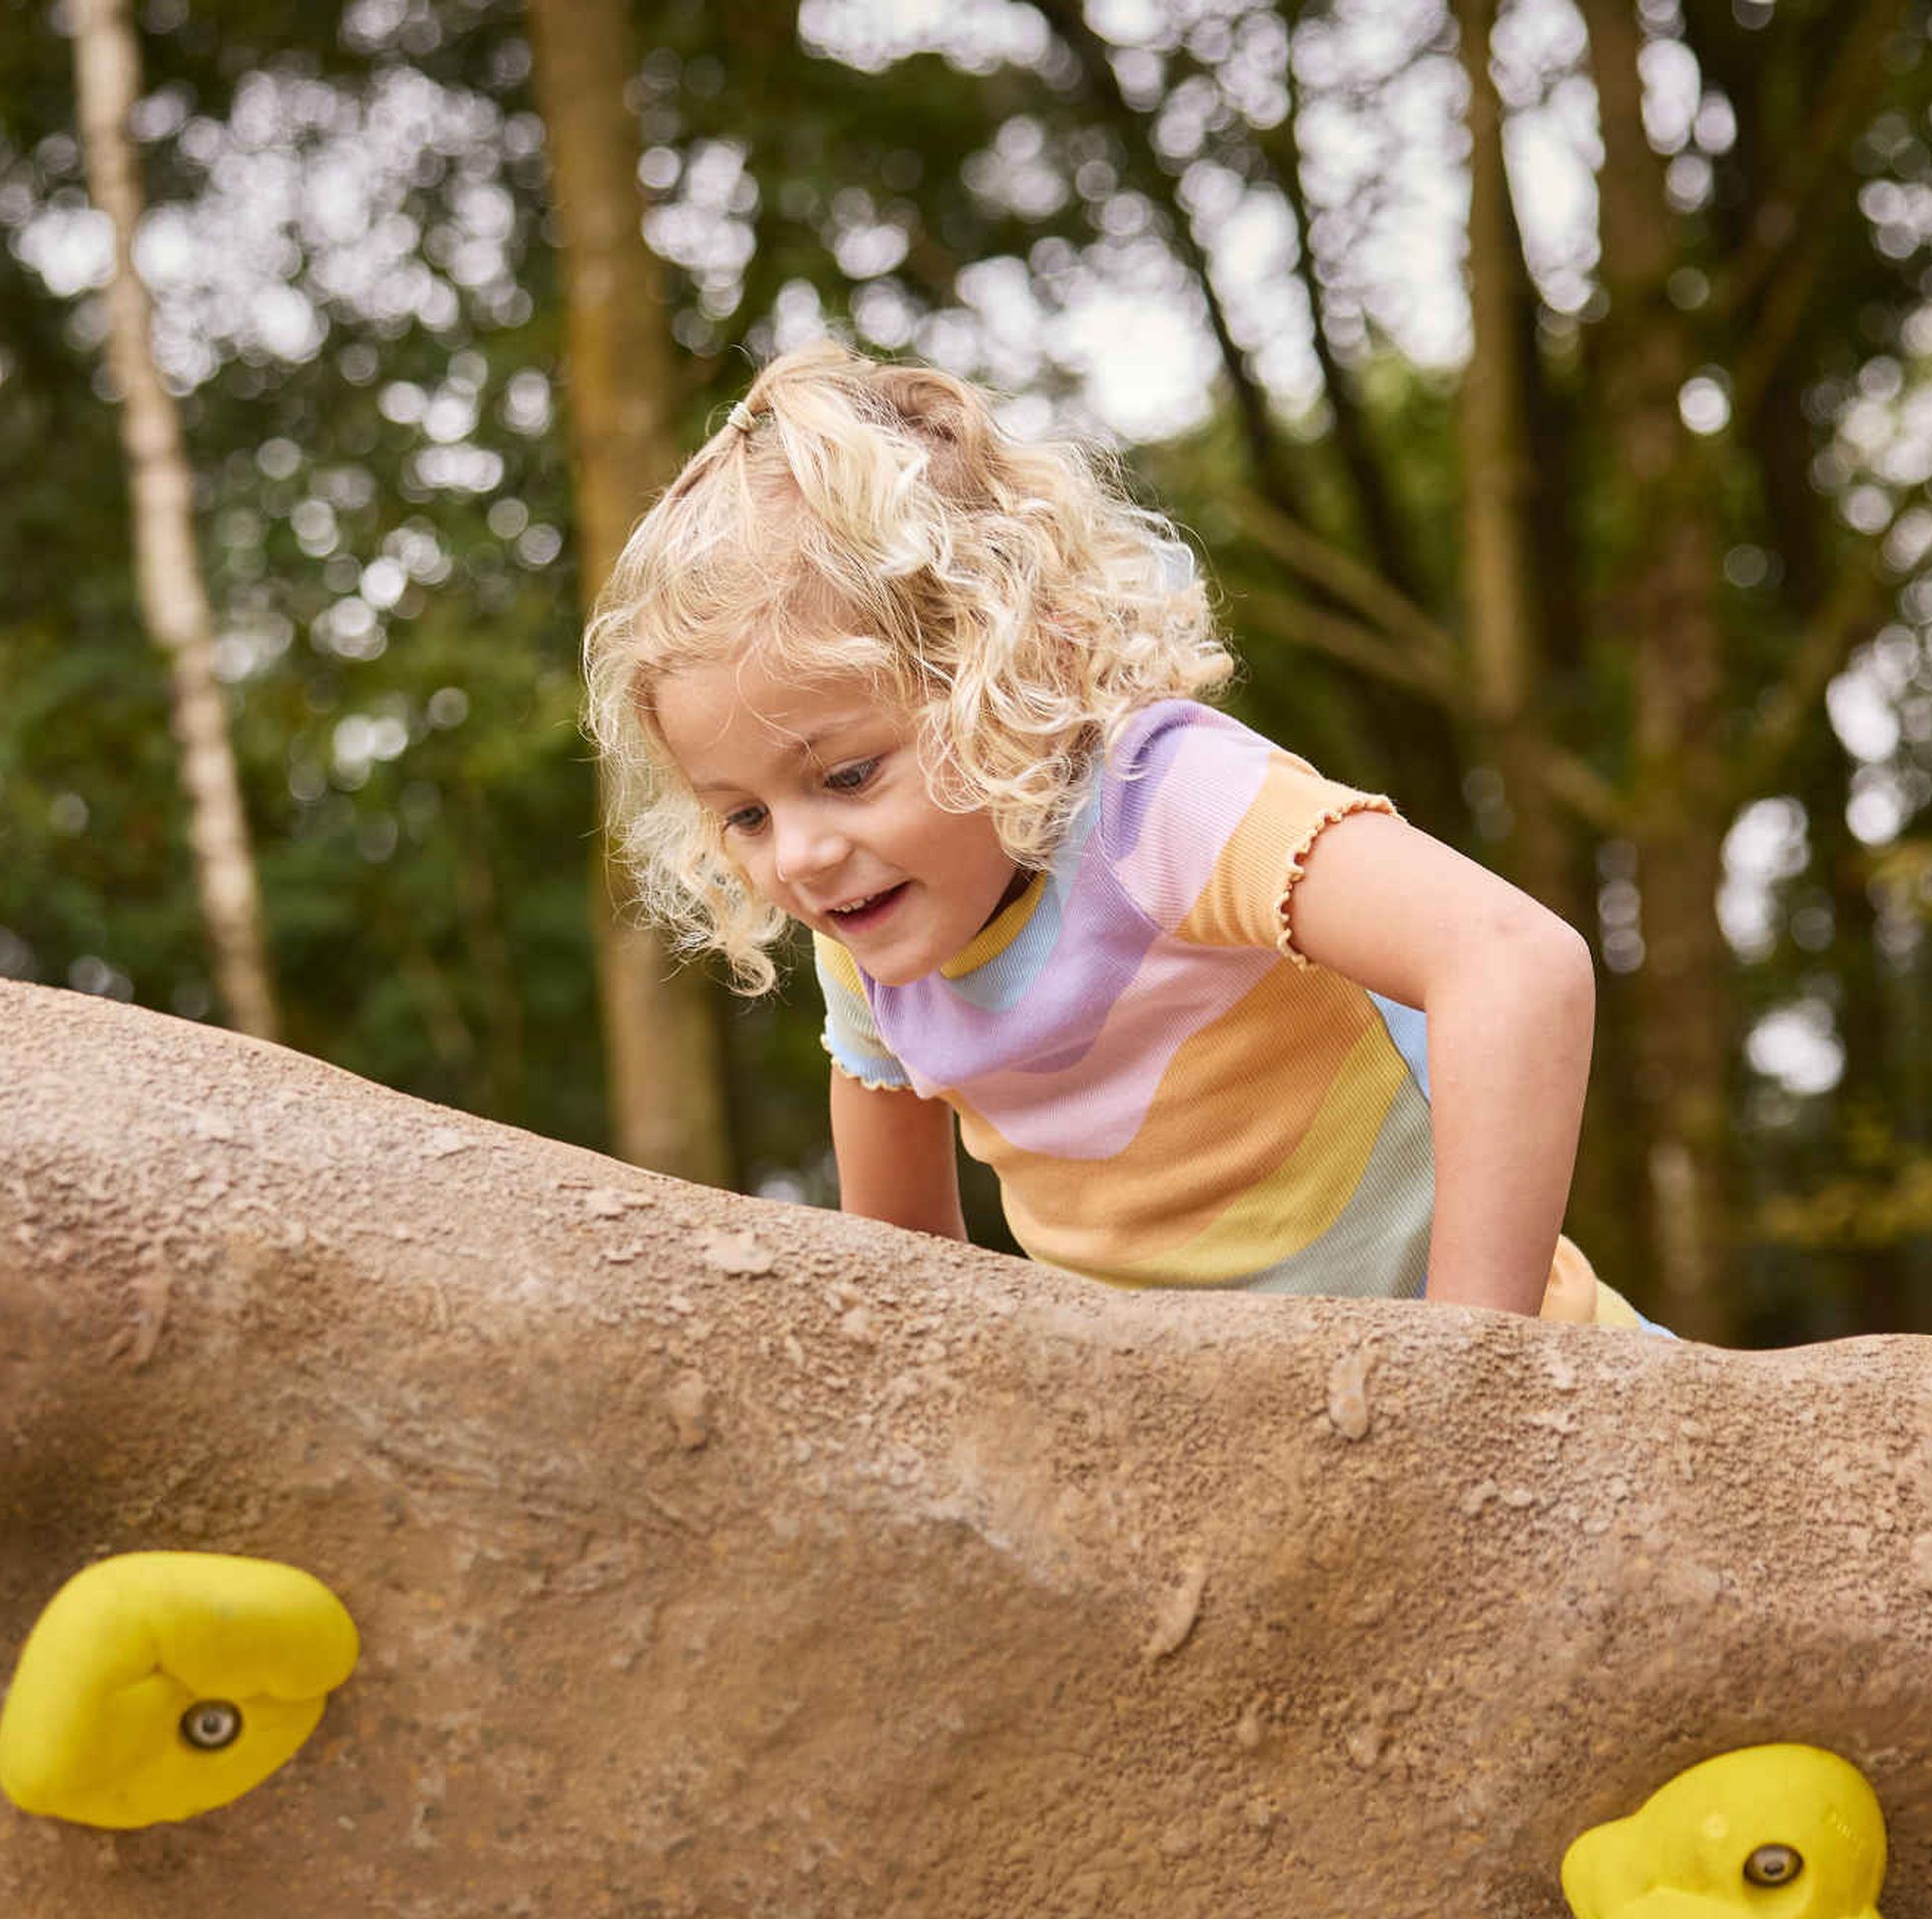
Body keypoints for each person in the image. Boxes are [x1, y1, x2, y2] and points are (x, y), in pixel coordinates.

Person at [581, 339, 1664, 1334]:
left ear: (1008, 676)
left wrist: (1471, 1360)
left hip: (1547, 1389)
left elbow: (1516, 963)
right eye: (747, 815)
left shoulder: (1164, 805)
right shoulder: (870, 947)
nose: (801, 857)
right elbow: (906, 1281)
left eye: (849, 775)